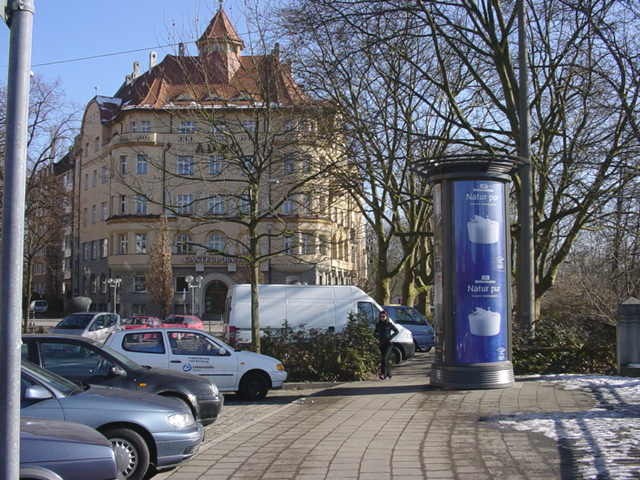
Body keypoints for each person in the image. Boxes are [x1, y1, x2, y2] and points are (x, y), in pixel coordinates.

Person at [374, 311, 398, 379]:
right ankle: (389, 374)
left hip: (388, 344)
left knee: (384, 359)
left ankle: (383, 374)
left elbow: (396, 331)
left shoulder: (389, 324)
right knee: (384, 360)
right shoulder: (378, 324)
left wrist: (390, 337)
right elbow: (375, 332)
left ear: (386, 317)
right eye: (381, 316)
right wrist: (376, 337)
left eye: (383, 316)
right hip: (381, 344)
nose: (382, 318)